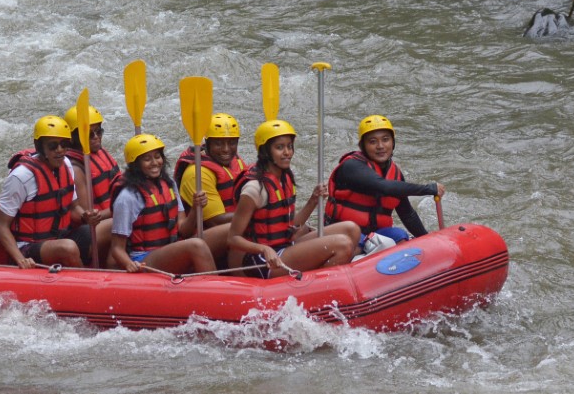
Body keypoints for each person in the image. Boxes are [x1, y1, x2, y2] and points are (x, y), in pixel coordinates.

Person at [228, 120, 359, 279]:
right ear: (265, 151)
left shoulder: (284, 179)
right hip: (263, 260)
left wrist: (313, 200)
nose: (287, 152)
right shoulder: (254, 188)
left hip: (285, 246)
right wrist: (263, 249)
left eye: (289, 146)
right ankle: (316, 286)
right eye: (279, 147)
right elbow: (233, 238)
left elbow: (291, 227)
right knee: (342, 245)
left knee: (351, 229)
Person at [0, 115, 100, 269]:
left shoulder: (66, 164)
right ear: (40, 147)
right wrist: (19, 258)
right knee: (67, 247)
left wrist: (85, 216)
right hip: (27, 246)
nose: (60, 150)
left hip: (59, 236)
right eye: (53, 146)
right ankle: (88, 282)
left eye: (64, 145)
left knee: (106, 228)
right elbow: (1, 225)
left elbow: (73, 207)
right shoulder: (21, 176)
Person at [324, 114, 445, 244]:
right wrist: (429, 189)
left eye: (385, 139)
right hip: (343, 234)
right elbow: (383, 187)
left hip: (373, 235)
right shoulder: (351, 166)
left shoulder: (395, 174)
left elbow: (407, 215)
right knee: (359, 243)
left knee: (400, 236)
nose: (380, 146)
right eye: (372, 141)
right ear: (363, 146)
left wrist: (428, 240)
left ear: (393, 142)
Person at [110, 134, 217, 274]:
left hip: (170, 248)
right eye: (147, 159)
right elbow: (117, 248)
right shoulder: (128, 197)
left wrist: (196, 208)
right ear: (136, 164)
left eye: (157, 156)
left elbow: (184, 230)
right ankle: (215, 290)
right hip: (144, 259)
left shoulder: (169, 184)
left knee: (226, 231)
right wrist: (129, 264)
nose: (155, 162)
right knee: (197, 245)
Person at [63, 103, 121, 266]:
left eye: (99, 131)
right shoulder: (75, 168)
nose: (96, 137)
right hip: (83, 235)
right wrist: (124, 209)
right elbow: (88, 217)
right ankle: (114, 268)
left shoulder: (99, 154)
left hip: (104, 224)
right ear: (74, 137)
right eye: (90, 134)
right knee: (126, 220)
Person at [174, 112, 248, 228]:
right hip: (207, 235)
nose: (226, 149)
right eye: (218, 144)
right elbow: (215, 222)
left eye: (232, 143)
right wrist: (256, 212)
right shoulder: (197, 173)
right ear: (207, 144)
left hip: (234, 226)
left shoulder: (235, 161)